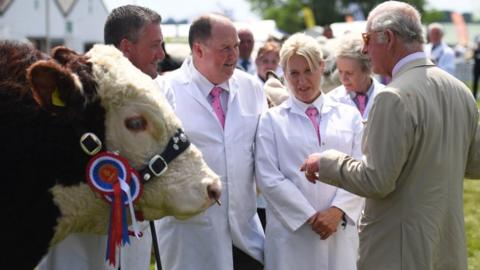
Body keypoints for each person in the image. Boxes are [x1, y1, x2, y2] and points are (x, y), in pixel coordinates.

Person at [301, 2, 480, 270]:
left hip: (398, 253)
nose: (364, 49)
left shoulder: (392, 97)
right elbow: (474, 166)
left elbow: (377, 180)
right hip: (446, 248)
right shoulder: (461, 91)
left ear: (389, 38)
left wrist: (326, 162)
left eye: (367, 39)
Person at [37, 5, 172, 270]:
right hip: (84, 237)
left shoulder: (154, 94)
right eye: (155, 45)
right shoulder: (77, 93)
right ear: (126, 47)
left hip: (133, 235)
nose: (162, 54)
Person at [155, 14, 266, 270]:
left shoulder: (251, 88)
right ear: (198, 49)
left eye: (236, 46)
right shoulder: (163, 90)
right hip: (189, 234)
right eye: (225, 48)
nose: (233, 55)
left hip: (245, 233)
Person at [255, 33, 364, 270]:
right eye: (293, 73)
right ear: (283, 72)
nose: (302, 81)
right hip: (292, 236)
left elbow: (361, 168)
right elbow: (269, 177)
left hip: (340, 231)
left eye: (308, 71)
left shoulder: (349, 116)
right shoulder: (271, 120)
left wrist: (337, 211)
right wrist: (309, 216)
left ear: (322, 67)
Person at [327, 34, 384, 119]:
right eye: (340, 71)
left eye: (349, 73)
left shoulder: (386, 95)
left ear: (367, 69)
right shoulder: (330, 101)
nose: (343, 79)